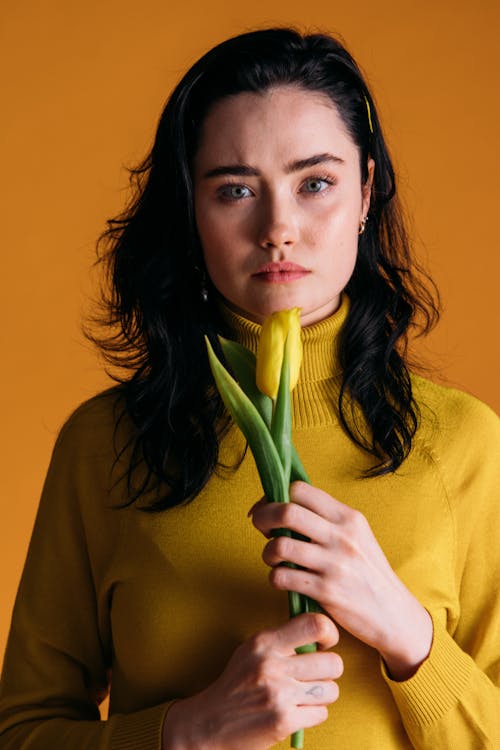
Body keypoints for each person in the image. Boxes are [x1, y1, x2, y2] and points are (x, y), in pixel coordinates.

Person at [0, 27, 498, 750]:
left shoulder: (464, 444)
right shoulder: (102, 444)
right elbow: (20, 735)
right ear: (191, 213)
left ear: (365, 192)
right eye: (235, 190)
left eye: (315, 183)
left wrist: (408, 634)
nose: (278, 229)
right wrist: (184, 732)